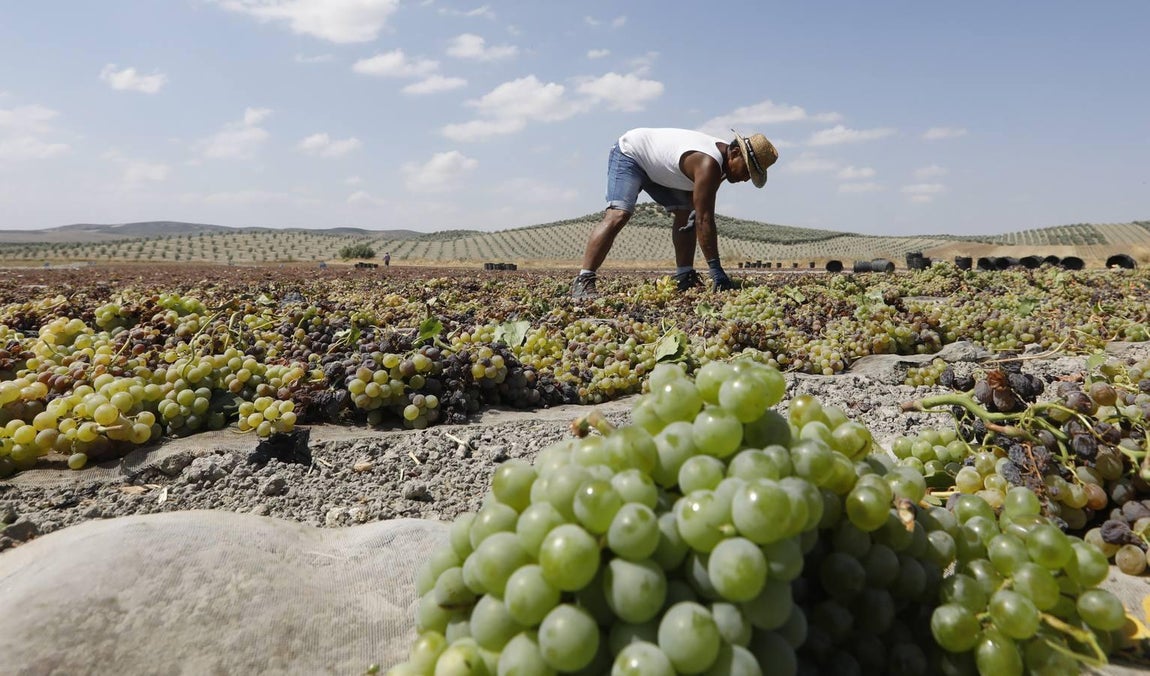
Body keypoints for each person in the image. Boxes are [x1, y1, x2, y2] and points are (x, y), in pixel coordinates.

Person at [570, 127, 778, 299]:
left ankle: (684, 276)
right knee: (619, 214)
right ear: (734, 153)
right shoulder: (709, 164)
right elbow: (706, 219)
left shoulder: (723, 165)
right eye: (747, 170)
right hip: (631, 154)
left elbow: (699, 212)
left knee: (686, 214)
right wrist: (715, 269)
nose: (746, 179)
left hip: (660, 170)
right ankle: (583, 280)